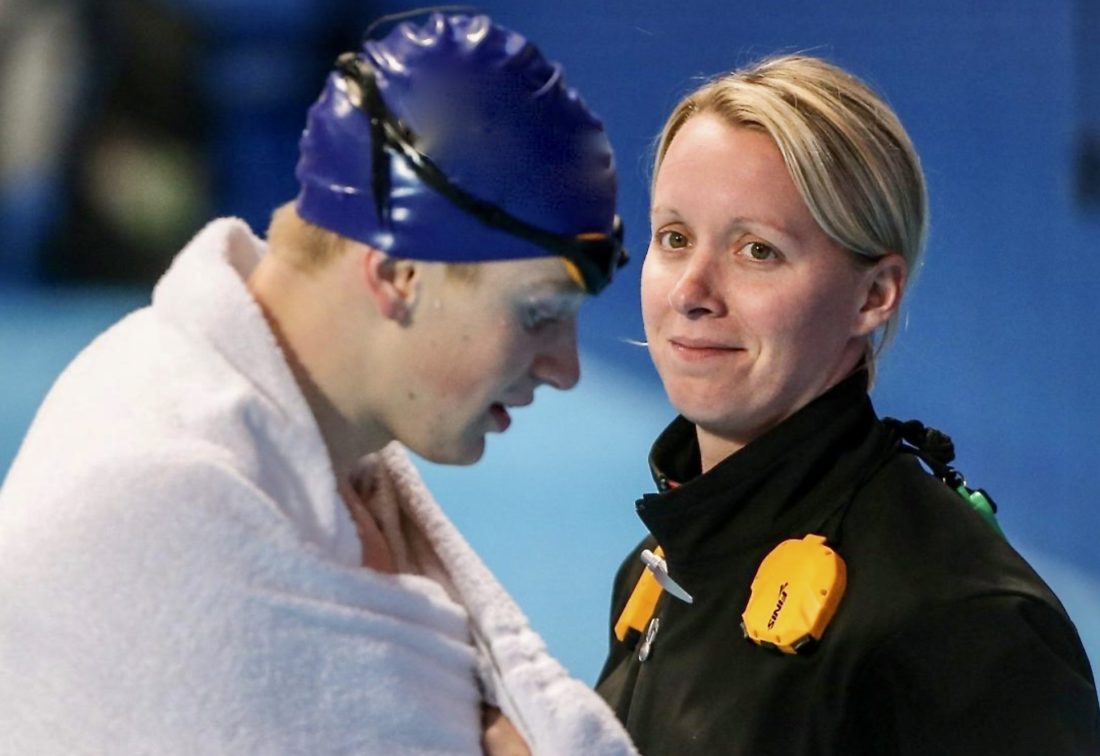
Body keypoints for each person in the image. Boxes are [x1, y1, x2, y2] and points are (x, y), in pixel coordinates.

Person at [0, 12, 638, 755]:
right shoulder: (159, 495)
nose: (565, 367)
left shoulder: (310, 445)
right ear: (399, 275)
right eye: (536, 314)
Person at [595, 54, 1100, 754]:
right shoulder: (655, 572)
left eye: (756, 251)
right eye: (675, 239)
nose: (692, 290)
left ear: (874, 295)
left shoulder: (958, 619)